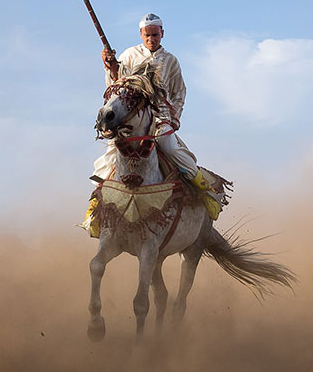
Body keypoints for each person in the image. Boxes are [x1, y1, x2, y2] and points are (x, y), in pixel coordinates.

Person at [84, 13, 220, 237]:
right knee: (109, 155)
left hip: (161, 118)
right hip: (132, 119)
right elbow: (116, 87)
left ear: (162, 34)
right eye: (147, 35)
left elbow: (179, 92)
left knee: (170, 146)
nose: (151, 39)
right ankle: (94, 210)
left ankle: (204, 191)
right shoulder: (129, 55)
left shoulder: (171, 61)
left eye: (155, 35)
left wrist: (173, 118)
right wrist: (110, 67)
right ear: (141, 34)